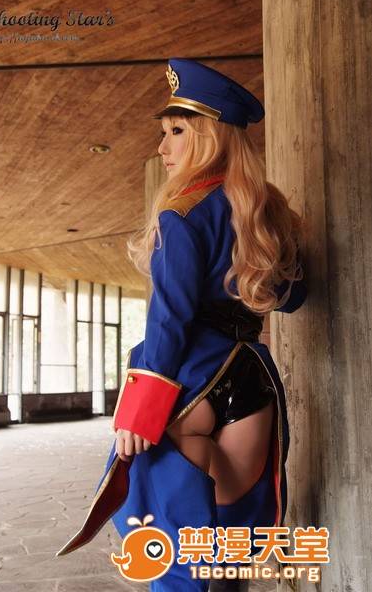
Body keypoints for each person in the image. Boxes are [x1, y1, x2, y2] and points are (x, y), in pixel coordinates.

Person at [56, 58, 307, 592]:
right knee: (234, 542)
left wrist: (139, 411)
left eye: (175, 131)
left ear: (209, 136)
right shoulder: (268, 213)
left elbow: (169, 316)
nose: (162, 147)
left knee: (167, 545)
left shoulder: (184, 213)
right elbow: (293, 298)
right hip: (252, 376)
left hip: (190, 379)